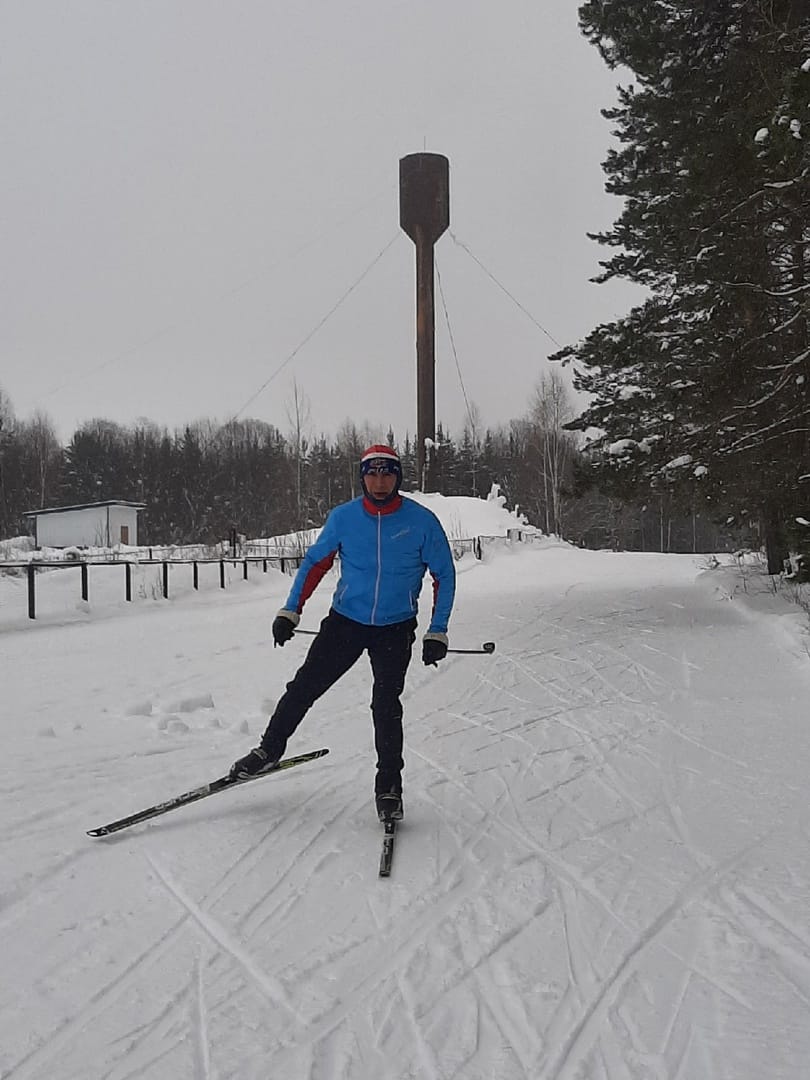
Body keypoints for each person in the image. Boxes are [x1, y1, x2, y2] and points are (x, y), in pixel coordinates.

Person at [230, 444, 456, 822]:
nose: (380, 482)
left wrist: (437, 630)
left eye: (388, 474)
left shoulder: (422, 521)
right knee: (303, 688)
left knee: (386, 707)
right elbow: (315, 563)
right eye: (372, 473)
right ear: (362, 476)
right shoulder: (344, 518)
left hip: (394, 626)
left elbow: (444, 576)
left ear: (397, 478)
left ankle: (389, 787)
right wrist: (290, 610)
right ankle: (268, 751)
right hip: (346, 622)